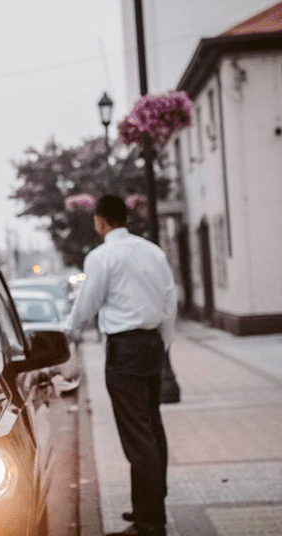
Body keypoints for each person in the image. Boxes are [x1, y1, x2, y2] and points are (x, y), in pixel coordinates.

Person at [65, 194, 176, 536]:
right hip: (152, 344)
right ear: (124, 217)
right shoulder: (153, 251)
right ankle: (148, 504)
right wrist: (164, 342)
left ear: (100, 220)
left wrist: (68, 332)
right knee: (151, 428)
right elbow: (170, 298)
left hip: (125, 348)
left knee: (137, 435)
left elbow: (87, 303)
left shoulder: (101, 257)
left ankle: (150, 523)